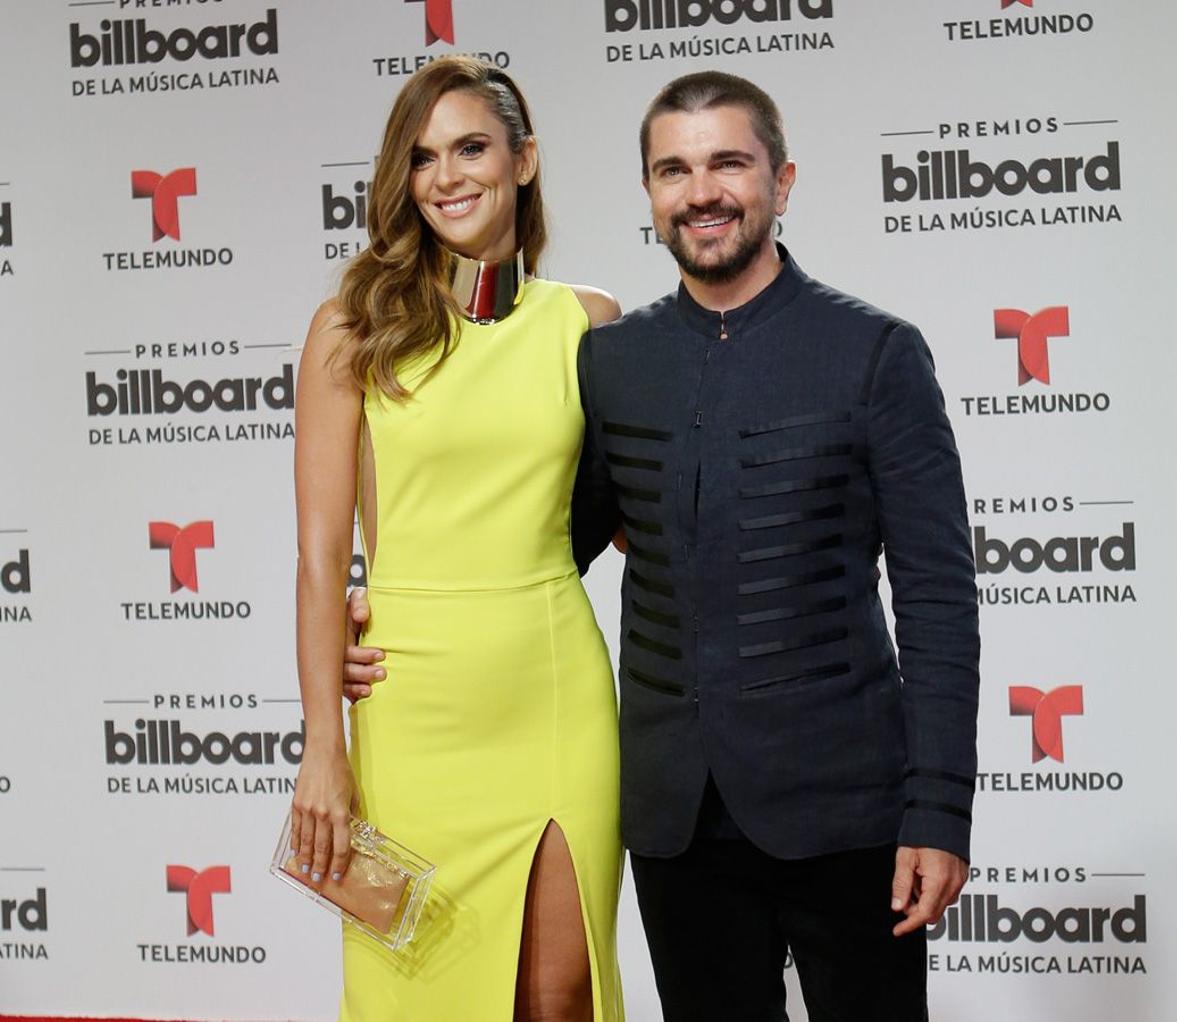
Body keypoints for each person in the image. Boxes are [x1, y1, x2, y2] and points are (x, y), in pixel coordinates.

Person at [346, 70, 979, 1022]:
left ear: (784, 179)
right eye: (673, 170)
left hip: (846, 810)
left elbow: (937, 600)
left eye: (729, 163)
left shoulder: (876, 353)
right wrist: (398, 599)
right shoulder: (612, 359)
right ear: (650, 194)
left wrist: (938, 811)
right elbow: (552, 533)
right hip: (676, 819)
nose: (702, 192)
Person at [292, 56, 624, 1022]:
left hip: (552, 688)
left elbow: (632, 522)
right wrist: (323, 744)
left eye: (471, 148)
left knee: (558, 997)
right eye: (423, 157)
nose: (447, 177)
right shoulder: (351, 329)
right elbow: (319, 557)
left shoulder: (587, 322)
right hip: (411, 707)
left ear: (523, 161)